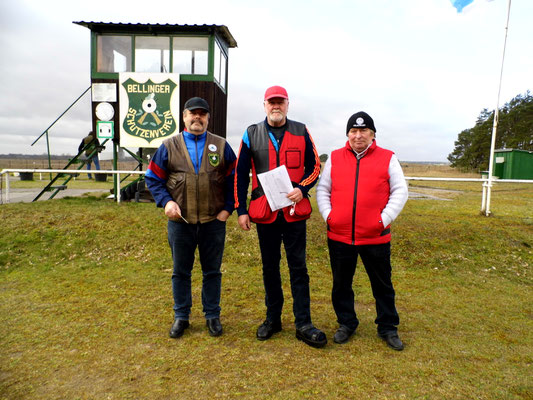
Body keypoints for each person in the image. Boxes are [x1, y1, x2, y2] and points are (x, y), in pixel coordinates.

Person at [234, 85, 327, 348]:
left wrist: (303, 188)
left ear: (288, 104)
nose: (276, 106)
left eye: (281, 102)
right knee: (270, 268)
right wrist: (241, 210)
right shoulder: (251, 133)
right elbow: (240, 174)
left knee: (299, 269)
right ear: (264, 105)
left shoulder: (301, 129)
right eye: (271, 102)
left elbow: (314, 167)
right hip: (265, 213)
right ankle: (273, 319)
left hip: (294, 212)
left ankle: (303, 323)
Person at [145, 97, 236, 339]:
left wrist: (227, 209)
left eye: (202, 114)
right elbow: (153, 178)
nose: (197, 118)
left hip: (212, 222)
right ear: (184, 117)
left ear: (208, 118)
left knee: (212, 272)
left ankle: (212, 316)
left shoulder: (222, 145)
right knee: (180, 272)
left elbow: (234, 180)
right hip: (180, 223)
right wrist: (167, 202)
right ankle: (181, 316)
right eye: (192, 114)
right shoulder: (169, 146)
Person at [316, 111, 408, 350]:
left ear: (372, 134)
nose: (358, 136)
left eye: (363, 131)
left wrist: (383, 220)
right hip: (340, 236)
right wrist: (330, 216)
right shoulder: (336, 157)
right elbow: (323, 190)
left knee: (382, 285)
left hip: (375, 236)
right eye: (353, 131)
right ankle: (346, 323)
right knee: (341, 284)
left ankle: (387, 327)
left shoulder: (388, 158)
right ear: (348, 134)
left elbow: (400, 191)